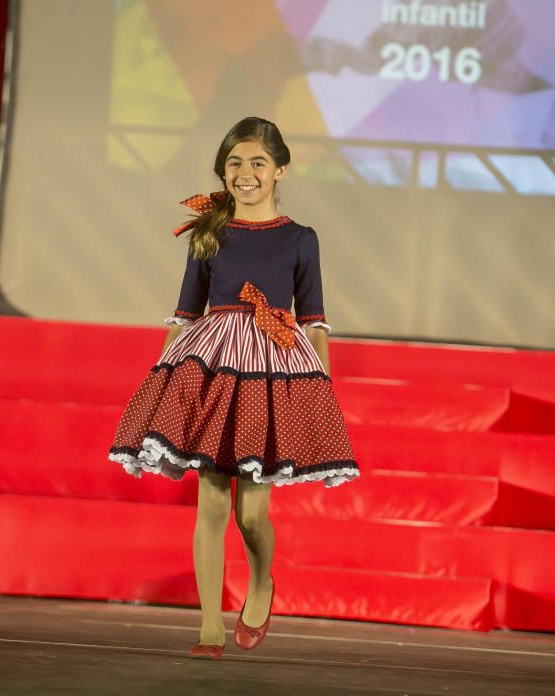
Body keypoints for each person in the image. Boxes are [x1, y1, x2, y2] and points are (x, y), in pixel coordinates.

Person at [108, 116, 359, 660]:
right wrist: (163, 386)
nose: (245, 173)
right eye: (235, 163)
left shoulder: (300, 239)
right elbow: (183, 312)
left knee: (251, 515)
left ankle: (262, 582)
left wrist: (322, 388)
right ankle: (209, 629)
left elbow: (314, 318)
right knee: (213, 507)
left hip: (273, 372)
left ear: (280, 170)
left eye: (258, 163)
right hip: (212, 367)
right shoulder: (209, 232)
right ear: (223, 171)